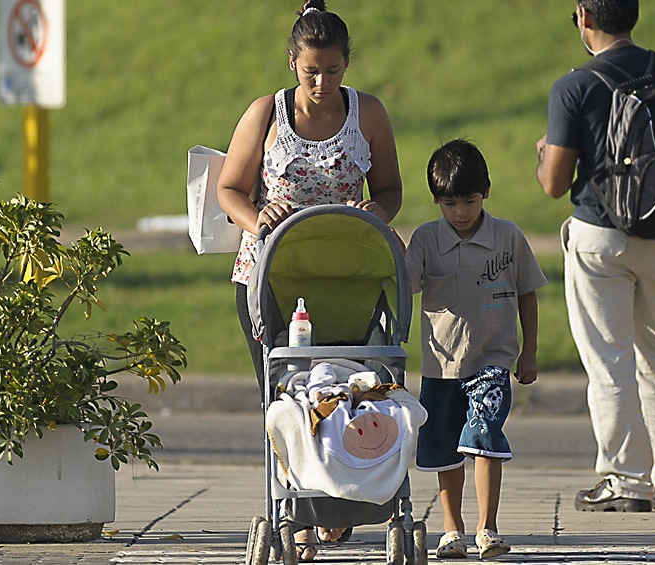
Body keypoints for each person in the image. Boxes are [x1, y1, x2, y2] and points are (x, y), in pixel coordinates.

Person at [215, 1, 402, 559]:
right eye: (310, 71)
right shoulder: (265, 114)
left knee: (343, 389)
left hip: (345, 277)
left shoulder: (367, 114)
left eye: (334, 71)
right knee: (284, 394)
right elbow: (229, 188)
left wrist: (376, 214)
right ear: (292, 63)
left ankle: (335, 503)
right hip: (270, 275)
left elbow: (391, 189)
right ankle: (293, 507)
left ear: (347, 66)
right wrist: (257, 219)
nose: (322, 83)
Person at [535, 0, 655, 513]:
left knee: (610, 364)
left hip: (600, 239)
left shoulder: (574, 86)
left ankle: (625, 481)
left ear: (583, 16)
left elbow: (553, 184)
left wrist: (542, 153)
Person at [407, 139, 547, 559]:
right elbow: (405, 286)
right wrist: (395, 252)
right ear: (436, 200)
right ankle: (453, 529)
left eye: (468, 200)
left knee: (484, 433)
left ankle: (488, 527)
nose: (461, 212)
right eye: (450, 203)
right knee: (446, 447)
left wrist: (530, 352)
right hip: (441, 365)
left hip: (493, 360)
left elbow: (527, 293)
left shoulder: (508, 237)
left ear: (486, 190)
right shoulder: (426, 240)